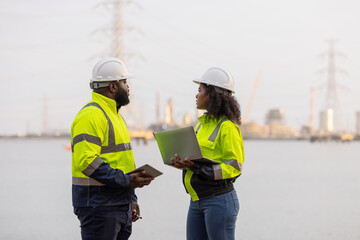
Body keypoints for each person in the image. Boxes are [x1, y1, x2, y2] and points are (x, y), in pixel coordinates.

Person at [71, 57, 154, 240]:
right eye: (125, 82)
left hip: (118, 205)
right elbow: (88, 162)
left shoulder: (115, 117)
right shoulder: (91, 116)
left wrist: (131, 199)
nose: (128, 87)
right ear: (113, 87)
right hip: (98, 207)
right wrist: (126, 181)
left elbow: (123, 164)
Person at [171, 67, 245, 240]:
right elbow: (198, 159)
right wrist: (181, 161)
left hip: (219, 201)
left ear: (212, 94)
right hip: (196, 201)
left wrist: (197, 168)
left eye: (200, 91)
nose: (197, 95)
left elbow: (234, 167)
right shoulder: (201, 125)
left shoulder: (228, 127)